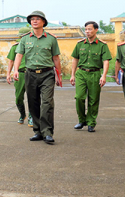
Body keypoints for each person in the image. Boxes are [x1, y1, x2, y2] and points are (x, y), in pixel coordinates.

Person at [13, 11, 61, 145]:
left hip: (47, 74)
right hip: (31, 74)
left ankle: (47, 132)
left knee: (47, 103)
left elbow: (56, 58)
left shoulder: (51, 39)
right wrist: (15, 70)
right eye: (32, 19)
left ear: (43, 22)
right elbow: (19, 55)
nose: (34, 21)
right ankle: (38, 131)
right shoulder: (25, 39)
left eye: (37, 19)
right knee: (33, 103)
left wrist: (59, 75)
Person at [70, 21, 112, 133]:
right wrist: (72, 74)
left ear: (96, 30)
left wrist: (103, 76)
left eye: (89, 29)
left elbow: (106, 61)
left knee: (93, 100)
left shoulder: (102, 45)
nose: (87, 31)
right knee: (79, 97)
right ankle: (81, 120)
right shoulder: (80, 44)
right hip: (81, 73)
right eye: (86, 29)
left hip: (95, 74)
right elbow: (75, 59)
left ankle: (91, 123)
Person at [6, 26, 32, 127]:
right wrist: (8, 73)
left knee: (32, 97)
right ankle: (22, 114)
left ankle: (31, 117)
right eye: (21, 36)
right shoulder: (15, 47)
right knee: (18, 97)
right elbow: (11, 61)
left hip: (31, 73)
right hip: (20, 74)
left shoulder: (33, 46)